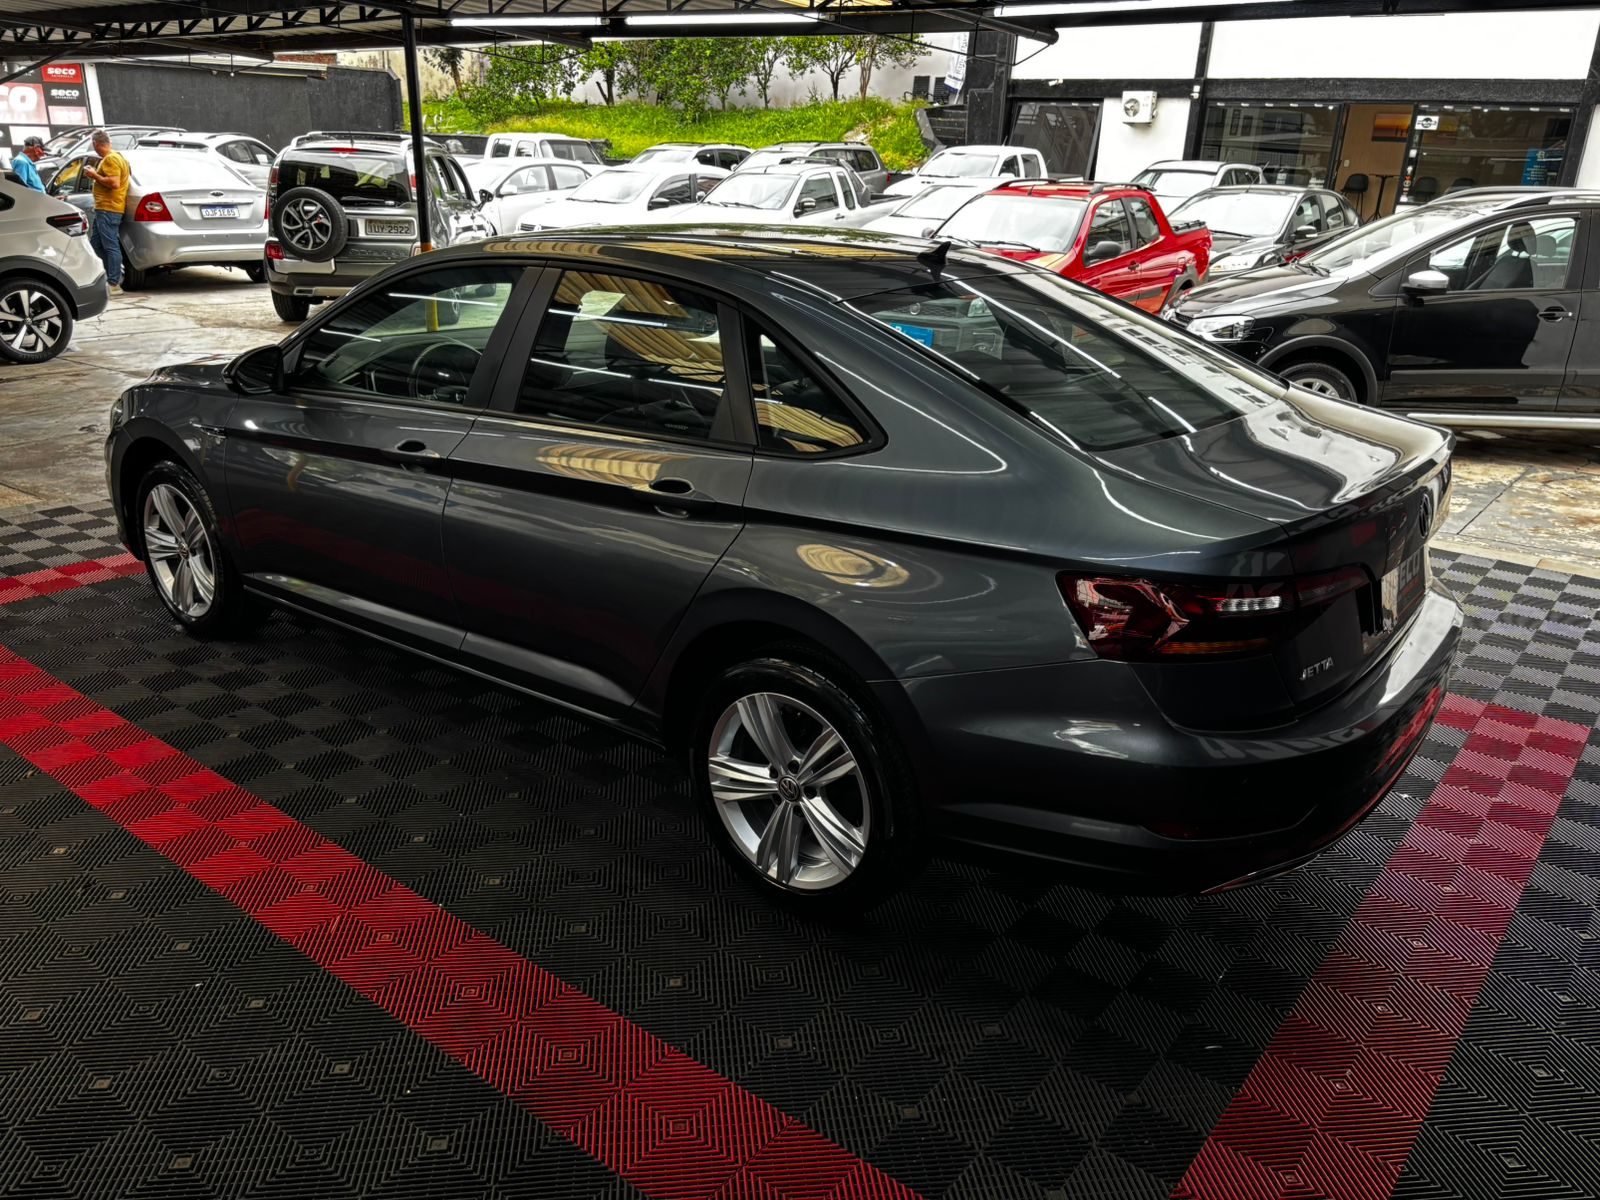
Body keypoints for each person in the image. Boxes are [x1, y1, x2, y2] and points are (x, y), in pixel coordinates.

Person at [81, 129, 129, 294]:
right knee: (96, 245)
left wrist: (94, 175)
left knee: (110, 246)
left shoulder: (111, 159)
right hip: (105, 208)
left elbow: (114, 183)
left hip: (109, 208)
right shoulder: (116, 157)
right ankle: (104, 278)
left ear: (95, 143)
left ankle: (114, 283)